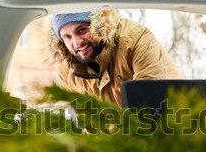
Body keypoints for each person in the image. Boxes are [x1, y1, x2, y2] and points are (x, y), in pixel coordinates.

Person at [44, 10, 183, 106]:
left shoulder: (136, 40)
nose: (76, 43)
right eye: (67, 37)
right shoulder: (67, 71)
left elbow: (149, 106)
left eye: (82, 30)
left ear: (99, 26)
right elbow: (85, 122)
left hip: (174, 124)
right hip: (118, 136)